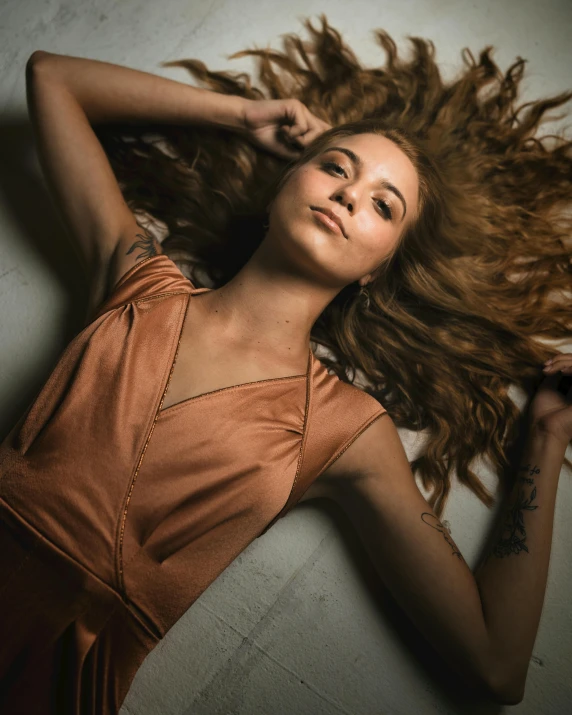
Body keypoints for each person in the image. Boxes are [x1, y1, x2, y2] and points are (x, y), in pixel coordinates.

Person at [1, 16, 571, 715]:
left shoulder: (344, 428)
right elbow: (52, 79)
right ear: (284, 184)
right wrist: (242, 114)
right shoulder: (138, 282)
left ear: (377, 269)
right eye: (335, 165)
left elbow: (496, 665)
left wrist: (545, 435)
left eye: (383, 206)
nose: (350, 194)